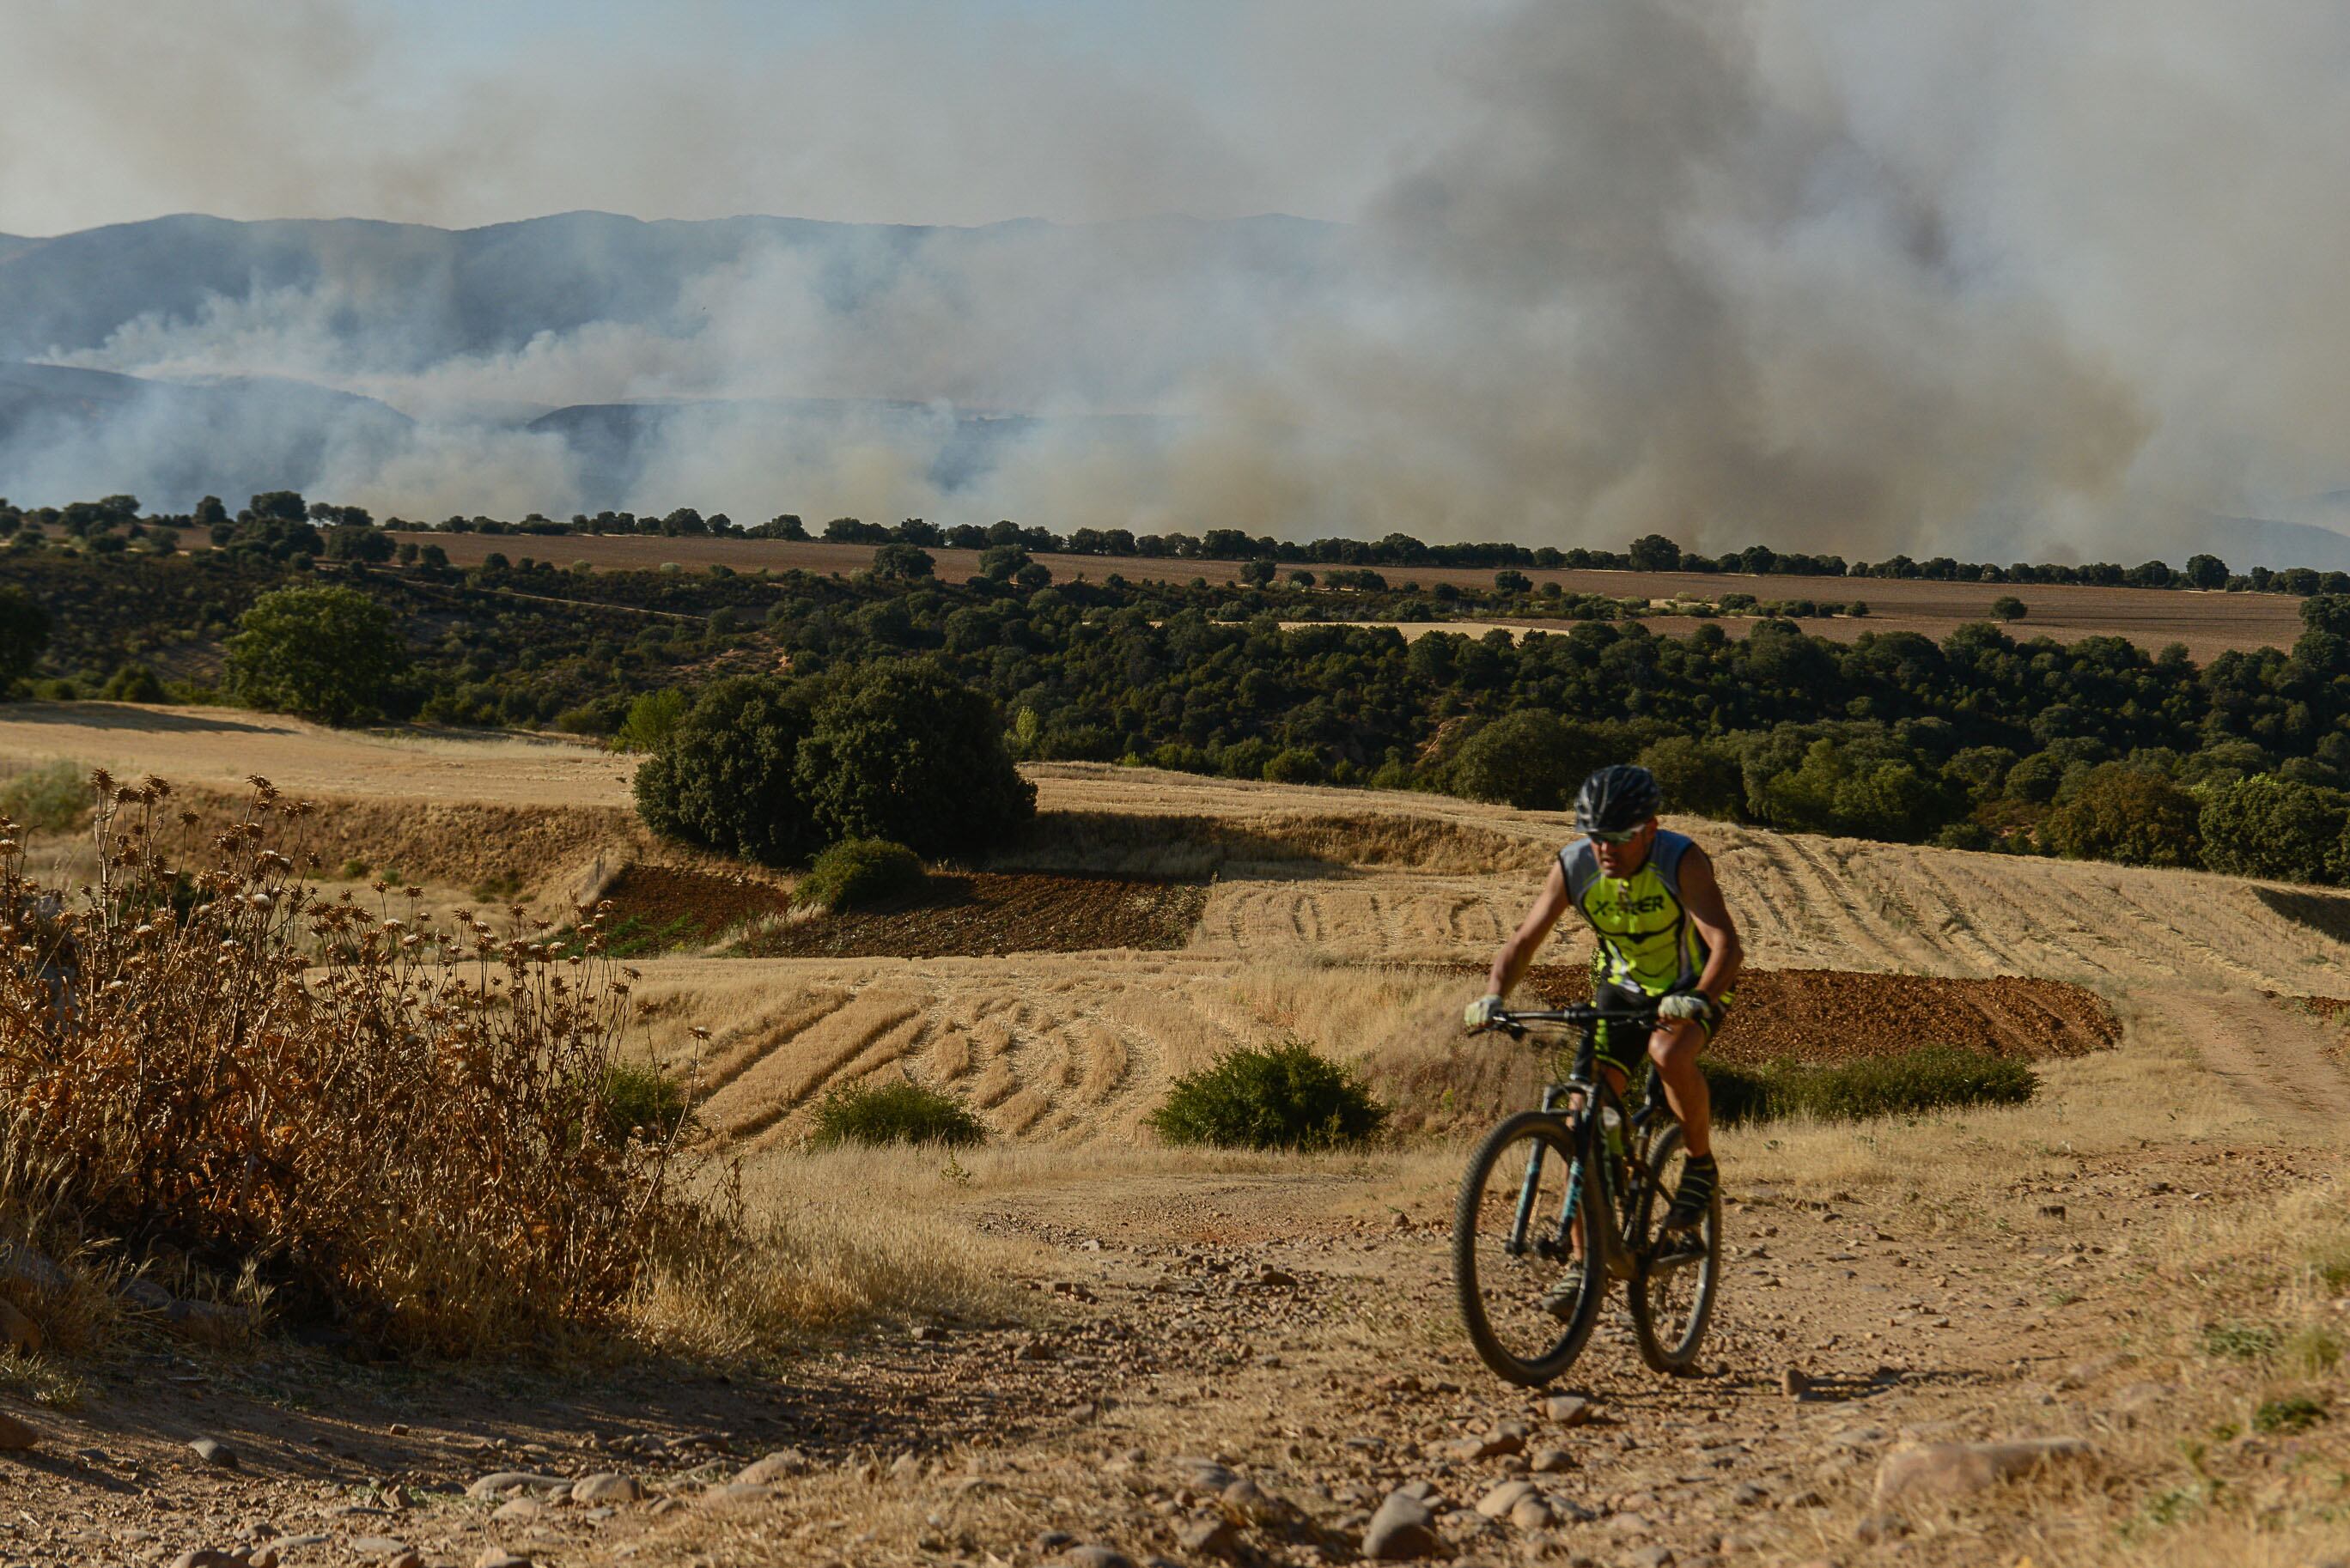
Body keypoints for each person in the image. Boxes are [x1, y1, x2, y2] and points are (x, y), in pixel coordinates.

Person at [1464, 763, 1744, 1231]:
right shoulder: (1575, 865)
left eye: (1618, 835)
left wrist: (1698, 997)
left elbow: (1727, 946)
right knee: (1580, 1125)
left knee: (1668, 1053)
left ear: (1650, 829)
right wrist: (1493, 995)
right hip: (1622, 988)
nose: (1604, 847)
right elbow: (1524, 942)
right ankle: (1583, 1269)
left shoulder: (1681, 861)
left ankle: (1699, 1165)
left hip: (1692, 984)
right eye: (1595, 835)